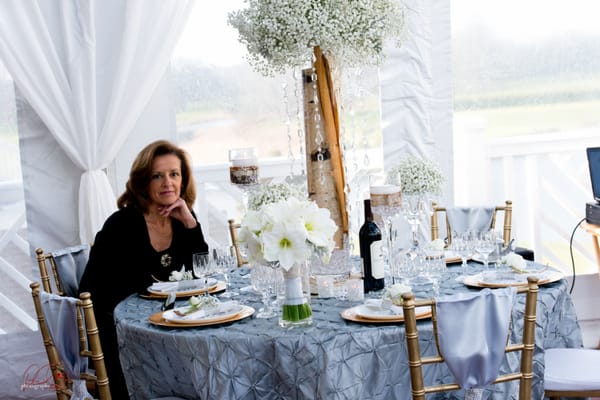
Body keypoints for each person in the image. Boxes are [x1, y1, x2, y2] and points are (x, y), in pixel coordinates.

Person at [79, 139, 208, 398]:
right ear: (143, 182)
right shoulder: (121, 225)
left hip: (168, 327)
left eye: (174, 174)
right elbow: (92, 292)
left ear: (183, 179)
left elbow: (200, 273)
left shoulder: (182, 219)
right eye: (157, 176)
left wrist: (190, 222)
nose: (167, 183)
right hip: (120, 332)